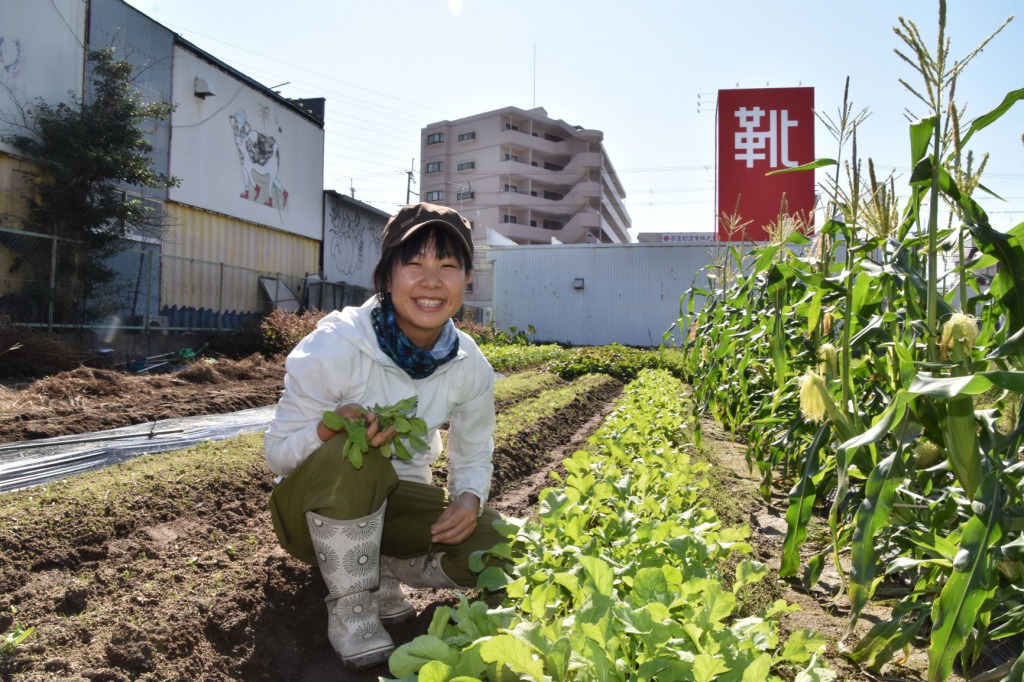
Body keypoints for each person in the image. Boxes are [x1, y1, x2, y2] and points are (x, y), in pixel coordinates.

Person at [264, 202, 504, 670]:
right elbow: (277, 456)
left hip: (397, 505)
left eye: (448, 266)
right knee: (359, 458)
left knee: (498, 542)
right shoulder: (336, 345)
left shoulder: (468, 363)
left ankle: (383, 566)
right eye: (414, 263)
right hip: (310, 518)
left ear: (467, 280)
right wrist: (330, 426)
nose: (431, 281)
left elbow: (474, 451)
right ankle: (353, 609)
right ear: (387, 277)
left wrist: (469, 499)